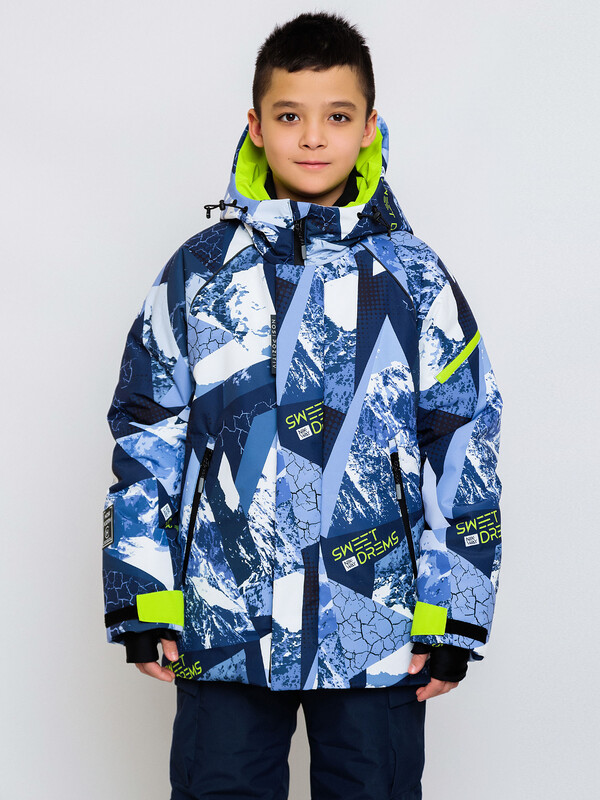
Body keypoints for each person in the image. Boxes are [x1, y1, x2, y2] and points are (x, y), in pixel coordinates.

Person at [102, 12, 502, 800]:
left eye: (337, 117)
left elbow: (464, 440)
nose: (313, 137)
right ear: (255, 127)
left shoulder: (414, 279)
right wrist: (144, 599)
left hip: (376, 626)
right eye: (289, 116)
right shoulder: (199, 274)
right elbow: (149, 430)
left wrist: (454, 615)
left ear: (369, 127)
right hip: (226, 618)